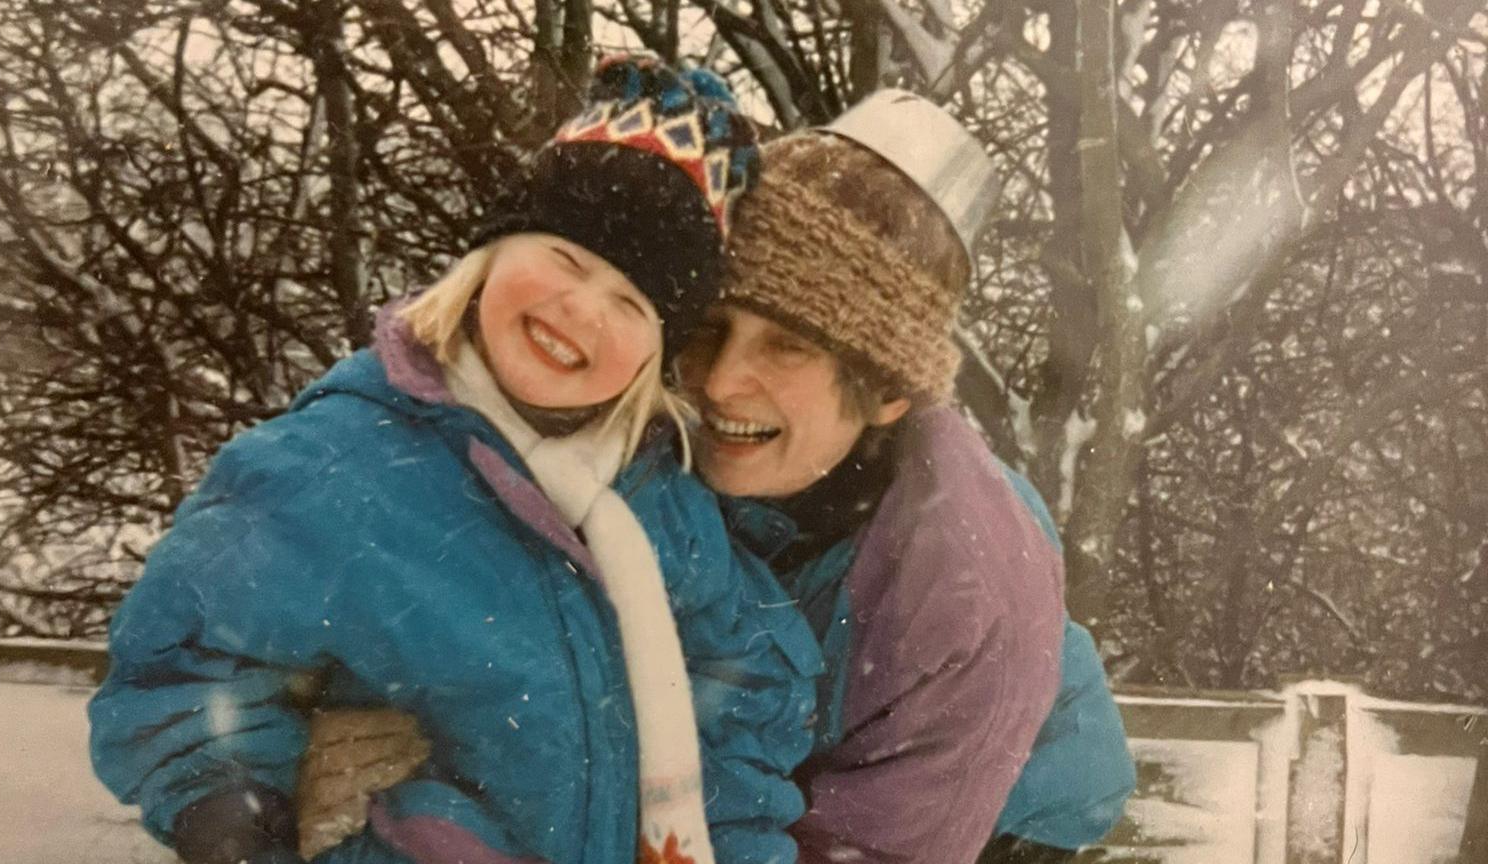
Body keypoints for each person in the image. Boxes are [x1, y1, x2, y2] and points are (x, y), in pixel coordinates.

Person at [89, 56, 822, 864]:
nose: (581, 310)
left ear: (656, 353)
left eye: (632, 304)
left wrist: (740, 842)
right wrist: (239, 800)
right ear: (490, 258)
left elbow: (747, 683)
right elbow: (184, 673)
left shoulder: (660, 497)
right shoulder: (331, 470)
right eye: (566, 260)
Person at [675, 91, 1136, 863]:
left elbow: (876, 851)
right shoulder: (675, 459)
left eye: (787, 346)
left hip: (997, 830)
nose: (720, 383)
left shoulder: (966, 578)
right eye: (711, 329)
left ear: (887, 389)